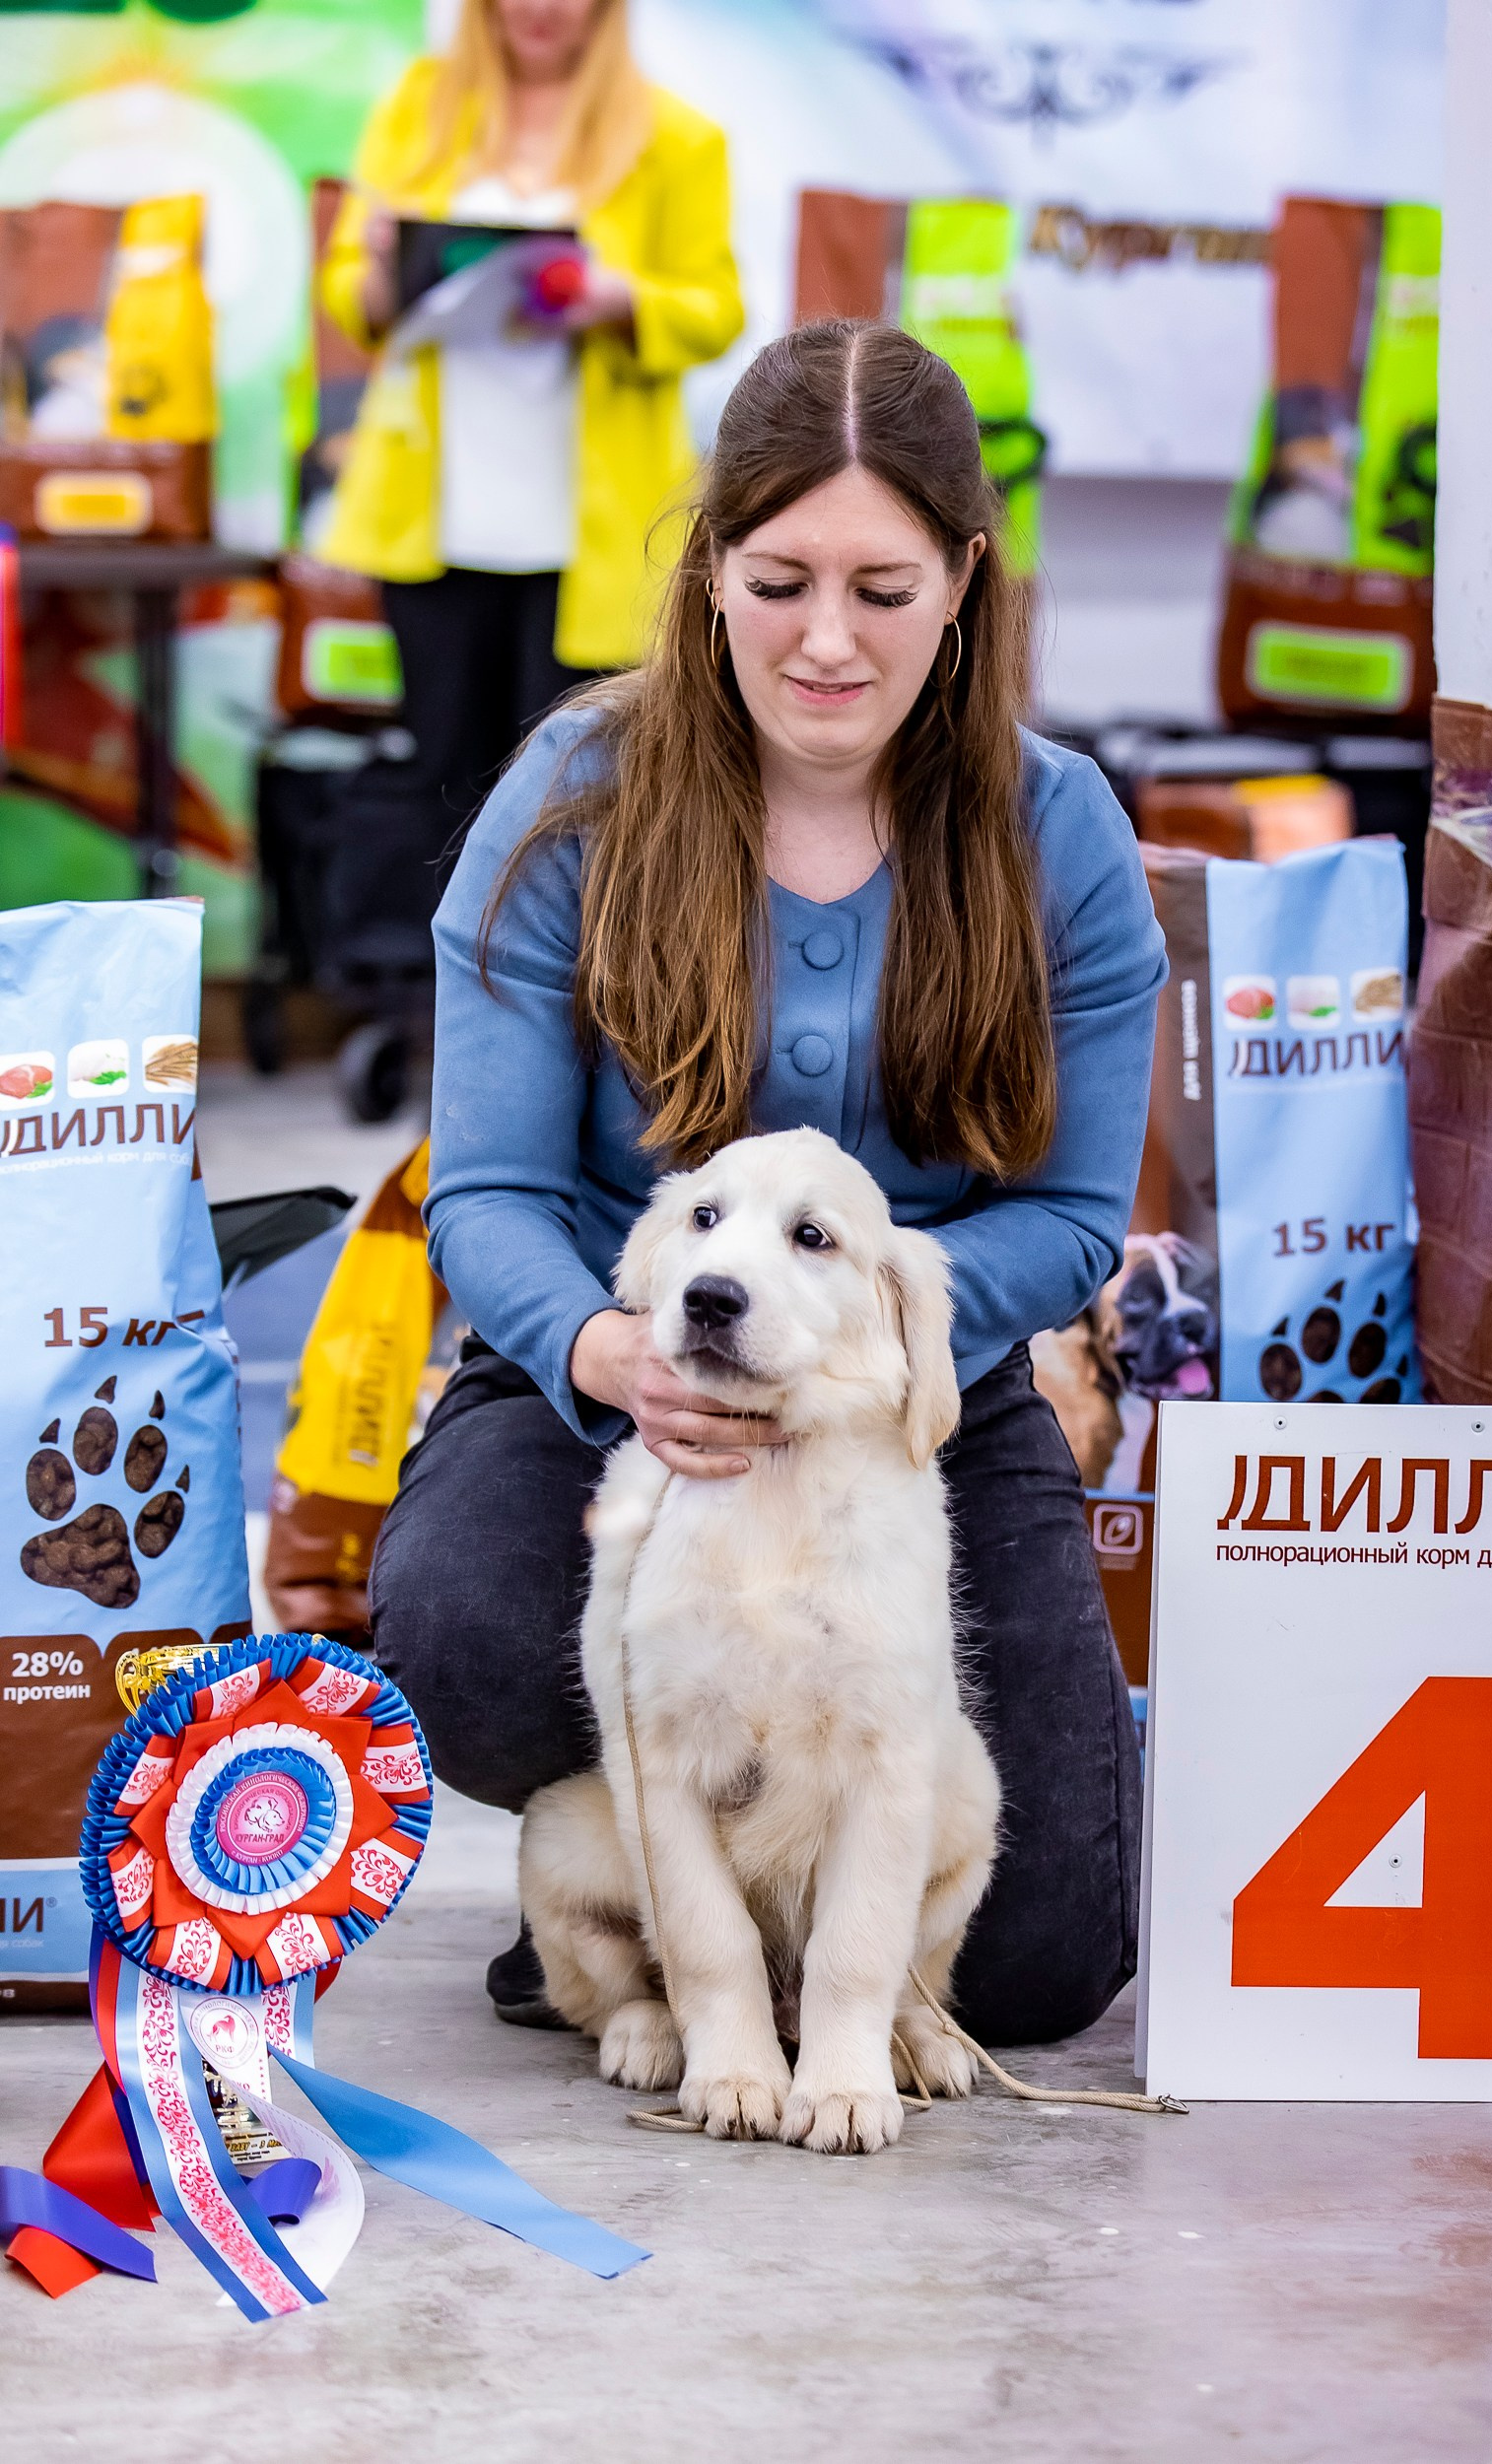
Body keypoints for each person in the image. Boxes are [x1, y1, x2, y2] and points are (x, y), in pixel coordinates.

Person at [370, 320, 1167, 2050]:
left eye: (882, 589)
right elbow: (490, 1191)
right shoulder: (568, 803)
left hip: (911, 1391)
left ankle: (747, 1882)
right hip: (611, 1373)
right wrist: (608, 1356)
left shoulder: (1062, 834)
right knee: (469, 1633)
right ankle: (644, 1897)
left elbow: (1074, 1219)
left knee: (1037, 1959)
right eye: (780, 577)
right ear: (710, 561)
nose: (825, 640)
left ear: (964, 578)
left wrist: (869, 1348)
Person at [317, 0, 742, 890]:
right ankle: (450, 1003)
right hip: (433, 523)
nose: (540, 9)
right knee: (440, 781)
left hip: (589, 534)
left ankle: (579, 1010)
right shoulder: (419, 105)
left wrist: (622, 299)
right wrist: (381, 269)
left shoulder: (673, 135)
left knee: (580, 798)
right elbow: (353, 295)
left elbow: (716, 311)